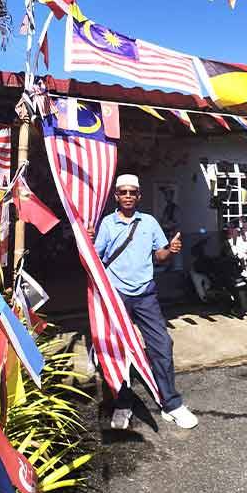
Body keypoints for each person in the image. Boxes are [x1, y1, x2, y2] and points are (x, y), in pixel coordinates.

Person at [93, 174, 198, 430]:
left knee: (162, 343)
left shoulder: (149, 222)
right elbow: (94, 258)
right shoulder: (107, 225)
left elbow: (159, 254)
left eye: (132, 192)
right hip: (116, 296)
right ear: (116, 196)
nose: (128, 196)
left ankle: (171, 404)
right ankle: (123, 403)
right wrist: (86, 238)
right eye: (123, 192)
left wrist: (170, 251)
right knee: (118, 350)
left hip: (145, 293)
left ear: (139, 196)